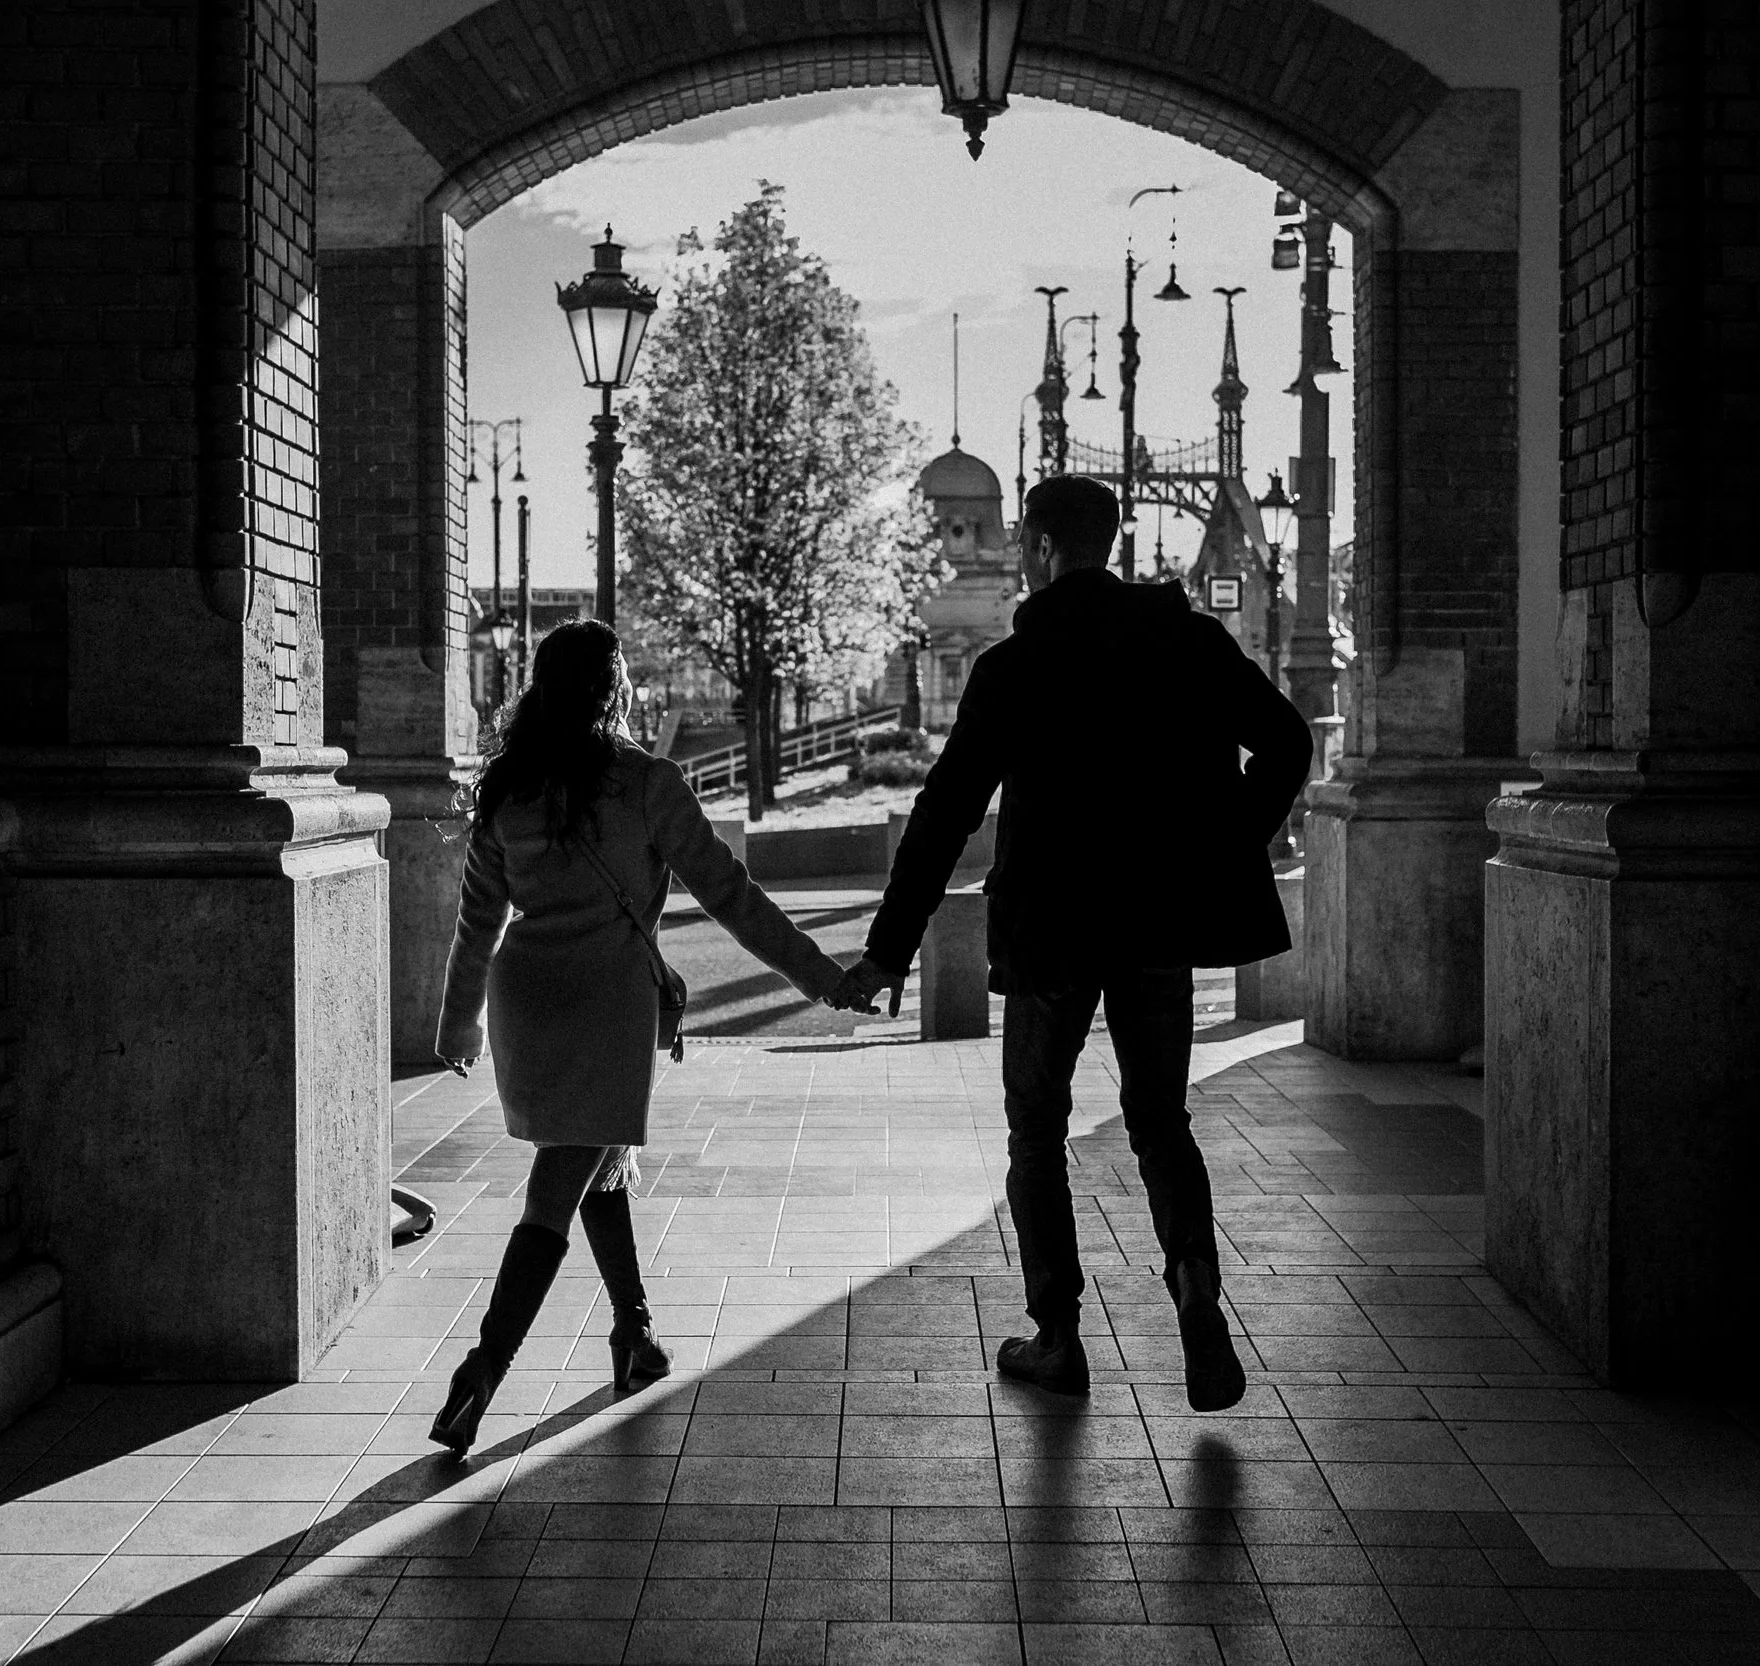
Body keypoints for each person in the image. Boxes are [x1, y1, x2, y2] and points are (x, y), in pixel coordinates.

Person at [832, 475, 1313, 1411]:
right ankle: (1193, 1292)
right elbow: (1287, 742)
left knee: (1037, 1130)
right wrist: (1220, 844)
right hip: (1159, 921)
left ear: (1044, 549)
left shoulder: (1018, 665)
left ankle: (1059, 1338)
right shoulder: (1189, 639)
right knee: (1159, 1121)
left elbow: (944, 813)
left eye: (1023, 545)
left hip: (1052, 929)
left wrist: (891, 948)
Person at [428, 620, 864, 1454]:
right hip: (606, 1002)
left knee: (594, 1157)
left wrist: (457, 1024)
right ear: (614, 688)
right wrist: (821, 976)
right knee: (558, 1186)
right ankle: (481, 1369)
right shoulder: (645, 783)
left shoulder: (509, 787)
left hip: (528, 996)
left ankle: (634, 1337)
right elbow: (733, 898)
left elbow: (476, 922)